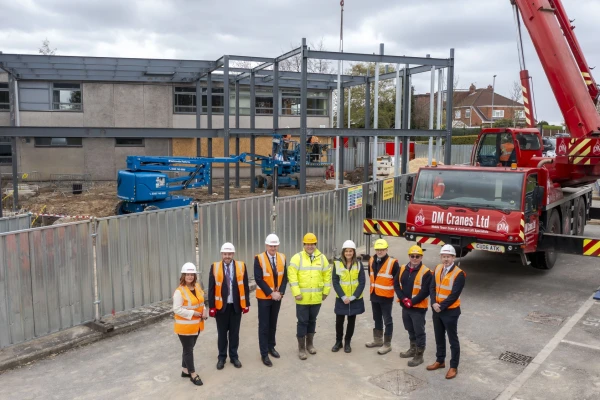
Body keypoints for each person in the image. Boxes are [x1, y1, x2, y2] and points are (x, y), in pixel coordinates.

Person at [288, 232, 332, 360]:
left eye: (312, 244)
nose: (310, 246)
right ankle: (301, 348)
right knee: (302, 322)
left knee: (312, 321)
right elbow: (292, 276)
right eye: (307, 244)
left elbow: (327, 275)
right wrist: (296, 293)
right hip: (302, 298)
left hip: (317, 297)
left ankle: (310, 344)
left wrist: (326, 291)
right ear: (304, 244)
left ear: (315, 244)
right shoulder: (297, 258)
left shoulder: (322, 258)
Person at [208, 242, 250, 370]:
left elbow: (246, 286)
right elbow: (211, 288)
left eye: (230, 253)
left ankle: (234, 356)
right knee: (221, 334)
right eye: (225, 254)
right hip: (221, 307)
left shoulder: (241, 266)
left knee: (234, 333)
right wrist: (211, 307)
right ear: (221, 254)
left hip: (236, 306)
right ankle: (221, 358)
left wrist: (246, 303)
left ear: (233, 254)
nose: (227, 256)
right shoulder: (214, 267)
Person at [426, 244, 466, 380]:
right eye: (444, 257)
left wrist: (441, 306)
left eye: (448, 257)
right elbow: (432, 286)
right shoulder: (437, 268)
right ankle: (440, 360)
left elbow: (454, 295)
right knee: (439, 337)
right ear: (440, 257)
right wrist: (433, 302)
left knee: (452, 340)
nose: (446, 259)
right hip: (437, 309)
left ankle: (453, 366)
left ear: (453, 257)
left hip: (450, 311)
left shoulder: (459, 274)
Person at [396, 245, 432, 367]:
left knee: (419, 331)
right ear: (409, 256)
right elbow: (396, 285)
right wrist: (403, 299)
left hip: (418, 308)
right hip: (405, 306)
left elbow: (425, 291)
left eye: (417, 256)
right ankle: (412, 349)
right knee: (409, 328)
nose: (415, 258)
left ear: (421, 257)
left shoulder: (426, 272)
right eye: (412, 256)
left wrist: (412, 301)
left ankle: (419, 355)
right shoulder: (402, 269)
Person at [254, 233, 288, 367]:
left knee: (273, 323)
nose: (273, 248)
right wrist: (270, 293)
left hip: (278, 297)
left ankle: (271, 347)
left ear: (278, 245)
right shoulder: (259, 258)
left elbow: (285, 277)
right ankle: (264, 353)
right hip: (264, 298)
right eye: (270, 245)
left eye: (275, 245)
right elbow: (258, 278)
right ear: (266, 245)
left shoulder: (282, 257)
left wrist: (281, 292)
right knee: (264, 326)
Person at [173, 262, 208, 386]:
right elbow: (176, 309)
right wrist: (193, 313)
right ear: (183, 276)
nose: (190, 276)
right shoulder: (179, 291)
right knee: (188, 350)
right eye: (187, 274)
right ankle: (192, 374)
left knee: (189, 348)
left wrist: (204, 310)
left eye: (192, 274)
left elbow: (201, 302)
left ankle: (185, 370)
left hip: (196, 325)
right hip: (185, 326)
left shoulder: (197, 287)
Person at [365, 238, 400, 355]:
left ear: (386, 250)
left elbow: (397, 280)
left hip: (386, 297)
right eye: (378, 249)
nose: (379, 252)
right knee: (377, 318)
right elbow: (371, 276)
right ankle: (378, 340)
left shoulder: (393, 263)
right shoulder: (371, 260)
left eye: (382, 249)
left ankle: (387, 344)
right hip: (374, 295)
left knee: (387, 320)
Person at [331, 240, 365, 353]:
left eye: (351, 251)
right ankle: (338, 342)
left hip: (354, 299)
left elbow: (362, 282)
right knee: (339, 321)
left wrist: (354, 296)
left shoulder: (359, 264)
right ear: (343, 252)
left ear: (354, 252)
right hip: (342, 299)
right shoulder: (337, 263)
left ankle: (347, 342)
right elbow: (335, 281)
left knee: (351, 321)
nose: (349, 253)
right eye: (347, 251)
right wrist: (343, 296)